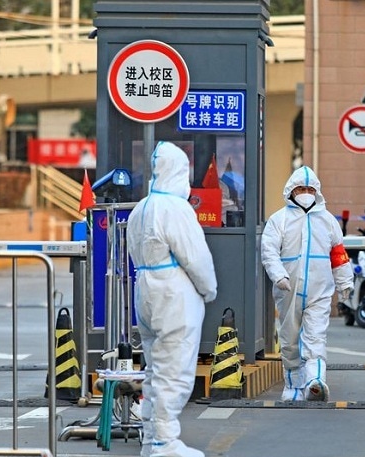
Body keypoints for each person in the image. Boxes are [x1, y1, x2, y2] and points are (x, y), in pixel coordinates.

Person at [127, 141, 218, 457]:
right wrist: (208, 289)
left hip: (145, 290)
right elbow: (195, 258)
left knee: (154, 369)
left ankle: (151, 439)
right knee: (174, 370)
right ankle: (166, 443)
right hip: (173, 294)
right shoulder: (177, 209)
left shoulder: (140, 208)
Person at [261, 166, 354, 401]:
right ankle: (292, 386)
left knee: (316, 335)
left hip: (319, 290)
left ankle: (315, 382)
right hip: (288, 289)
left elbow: (339, 254)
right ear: (291, 191)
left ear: (317, 192)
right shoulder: (279, 220)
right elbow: (269, 251)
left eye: (310, 189)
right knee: (289, 339)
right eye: (301, 188)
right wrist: (278, 275)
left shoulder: (328, 221)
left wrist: (345, 282)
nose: (305, 193)